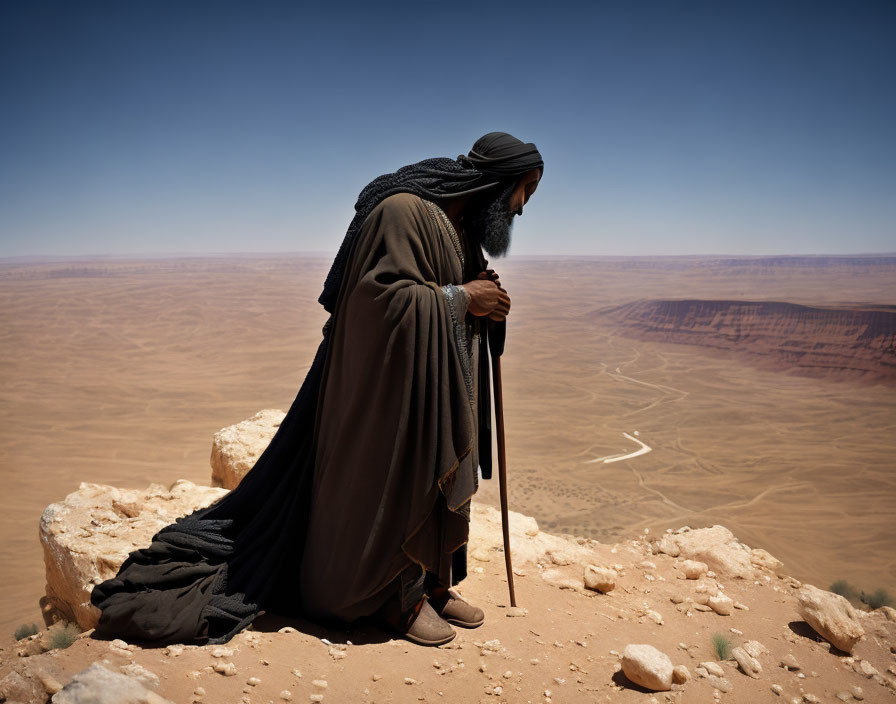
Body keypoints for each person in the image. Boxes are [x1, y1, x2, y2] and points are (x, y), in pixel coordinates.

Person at [89, 131, 544, 648]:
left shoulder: (458, 229)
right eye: (524, 189)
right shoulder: (401, 213)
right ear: (497, 181)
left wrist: (486, 303)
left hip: (434, 389)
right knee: (393, 483)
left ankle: (431, 583)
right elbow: (376, 303)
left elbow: (448, 294)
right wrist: (462, 298)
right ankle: (393, 600)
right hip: (383, 397)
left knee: (436, 481)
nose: (522, 207)